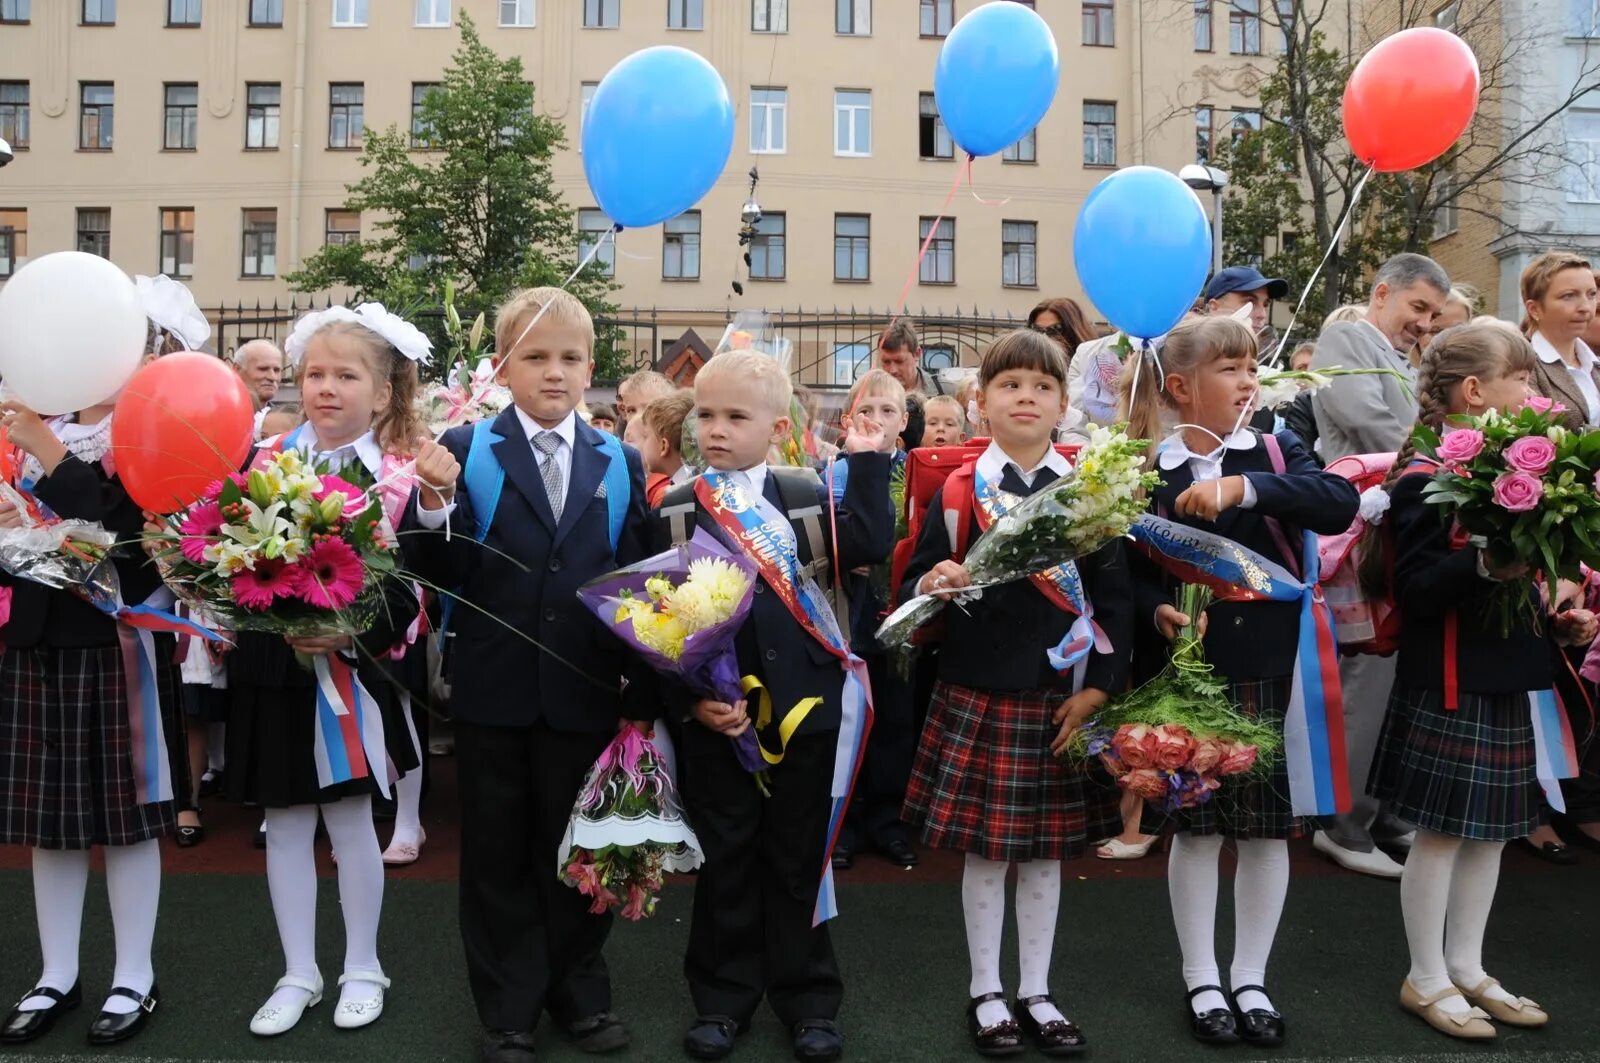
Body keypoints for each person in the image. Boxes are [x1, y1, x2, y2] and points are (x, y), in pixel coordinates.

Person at [408, 287, 654, 1063]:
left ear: (592, 369)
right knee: (496, 854)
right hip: (494, 692)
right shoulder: (466, 446)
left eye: (571, 358)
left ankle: (579, 992)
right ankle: (508, 1006)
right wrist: (434, 500)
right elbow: (439, 572)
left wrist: (640, 690)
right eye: (536, 357)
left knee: (582, 848)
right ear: (502, 367)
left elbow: (639, 582)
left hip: (586, 692)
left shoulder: (621, 460)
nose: (555, 373)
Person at [1125, 315, 1359, 1047]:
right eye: (1231, 368)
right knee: (1196, 832)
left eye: (1253, 367)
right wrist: (1154, 608)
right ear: (1182, 387)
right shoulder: (1144, 468)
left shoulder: (1276, 451)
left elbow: (1338, 501)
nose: (1248, 380)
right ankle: (1203, 978)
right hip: (1186, 677)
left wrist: (1245, 489)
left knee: (1264, 835)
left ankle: (1250, 976)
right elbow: (1121, 574)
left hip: (1269, 665)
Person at [655, 350, 894, 1063]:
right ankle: (722, 999)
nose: (717, 429)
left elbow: (873, 544)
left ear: (778, 426)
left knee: (799, 856)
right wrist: (692, 702)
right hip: (717, 718)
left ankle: (807, 996)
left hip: (807, 711)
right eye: (706, 414)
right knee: (726, 855)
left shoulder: (806, 494)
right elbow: (653, 624)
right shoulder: (672, 506)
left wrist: (871, 463)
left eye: (736, 415)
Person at [902, 329, 1133, 1057]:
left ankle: (1036, 988)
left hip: (1059, 696)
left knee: (1045, 857)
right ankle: (986, 991)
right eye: (1010, 385)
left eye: (1041, 385)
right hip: (979, 691)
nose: (1025, 396)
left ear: (1064, 403)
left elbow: (1116, 599)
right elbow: (915, 583)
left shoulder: (1091, 487)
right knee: (987, 855)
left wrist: (1099, 689)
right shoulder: (958, 488)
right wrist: (930, 583)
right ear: (981, 403)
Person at [1363, 323, 1584, 1039]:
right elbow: (1418, 589)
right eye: (1521, 378)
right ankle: (1423, 974)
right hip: (1450, 676)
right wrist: (1486, 566)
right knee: (1441, 834)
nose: (1533, 390)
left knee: (1491, 834)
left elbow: (1523, 583)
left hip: (1505, 671)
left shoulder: (1518, 475)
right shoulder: (1425, 478)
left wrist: (1559, 618)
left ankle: (1468, 964)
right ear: (1474, 391)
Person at [229, 305, 430, 1037]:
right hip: (275, 671)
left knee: (350, 823)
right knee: (283, 824)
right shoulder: (262, 463)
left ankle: (363, 964)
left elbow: (413, 586)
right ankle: (298, 970)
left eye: (346, 375)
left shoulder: (400, 477)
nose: (326, 387)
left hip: (351, 674)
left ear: (382, 393)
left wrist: (350, 629)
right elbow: (231, 559)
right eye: (314, 373)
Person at [0, 394, 186, 1046]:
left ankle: (135, 974)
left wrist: (51, 458)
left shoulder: (147, 429)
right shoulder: (32, 426)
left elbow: (129, 539)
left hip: (118, 643)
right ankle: (58, 973)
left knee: (128, 821)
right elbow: (31, 545)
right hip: (38, 643)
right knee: (50, 825)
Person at [1309, 252, 1450, 877]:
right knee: (1367, 679)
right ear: (1383, 293)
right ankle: (1342, 822)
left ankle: (1383, 810)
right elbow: (1372, 427)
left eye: (1432, 315)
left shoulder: (1397, 355)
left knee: (1394, 681)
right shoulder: (1347, 336)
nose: (1423, 324)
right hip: (1362, 539)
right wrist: (1449, 448)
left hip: (1397, 530)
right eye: (1417, 308)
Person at [828, 370, 916, 872]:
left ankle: (887, 822)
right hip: (852, 615)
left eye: (888, 412)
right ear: (848, 420)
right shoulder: (836, 472)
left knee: (895, 723)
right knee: (849, 721)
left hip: (902, 619)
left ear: (903, 422)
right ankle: (845, 824)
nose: (877, 421)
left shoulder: (916, 472)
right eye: (867, 410)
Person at [1523, 252, 1599, 432]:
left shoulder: (1593, 363)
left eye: (1591, 294)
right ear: (1534, 309)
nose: (1585, 307)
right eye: (1569, 296)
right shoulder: (1522, 365)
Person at [635, 389, 695, 508]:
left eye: (645, 436)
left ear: (663, 446)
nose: (641, 445)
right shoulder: (704, 485)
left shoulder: (672, 499)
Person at [1200, 266, 1289, 339]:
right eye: (1250, 302)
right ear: (1214, 307)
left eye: (1265, 304)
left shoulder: (1257, 358)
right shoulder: (1191, 355)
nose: (1262, 315)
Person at [235, 339, 287, 439]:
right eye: (263, 369)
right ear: (237, 369)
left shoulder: (285, 420)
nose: (272, 377)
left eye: (277, 370)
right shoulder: (218, 417)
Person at [877, 319, 941, 396]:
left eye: (899, 361)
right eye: (886, 361)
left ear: (917, 354)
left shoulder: (946, 391)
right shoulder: (868, 395)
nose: (893, 370)